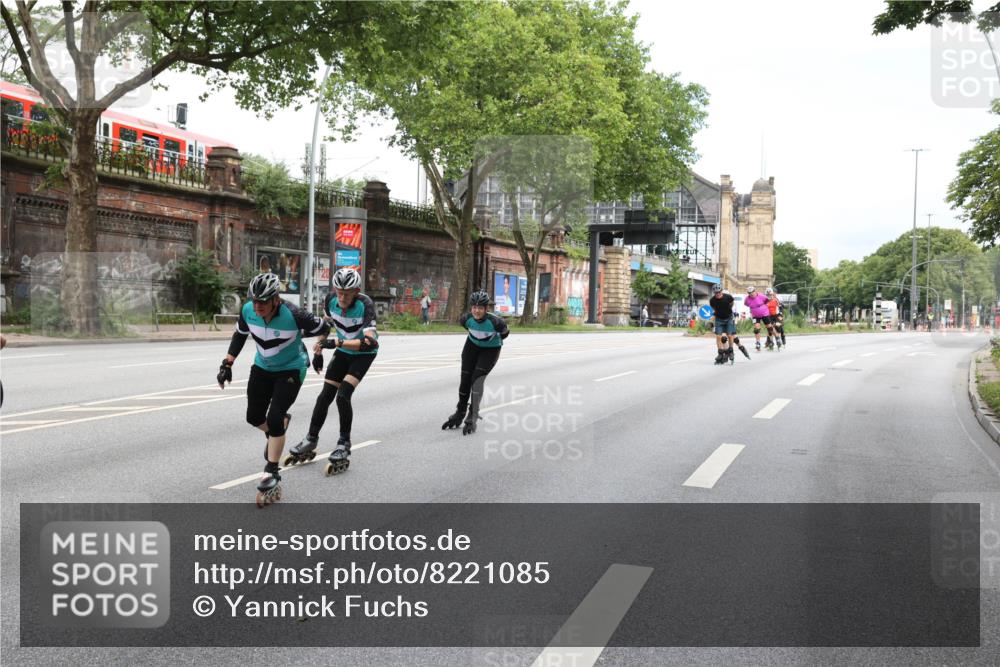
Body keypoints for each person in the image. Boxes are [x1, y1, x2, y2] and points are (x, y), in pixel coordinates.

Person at [217, 272, 330, 507]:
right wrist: (227, 363)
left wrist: (318, 351)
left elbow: (324, 327)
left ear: (276, 299)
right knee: (254, 417)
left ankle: (272, 471)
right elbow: (239, 335)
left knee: (275, 417)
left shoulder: (295, 314)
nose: (257, 306)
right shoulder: (248, 310)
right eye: (254, 300)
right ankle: (278, 431)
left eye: (263, 301)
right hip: (262, 367)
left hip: (290, 368)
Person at [286, 267, 378, 476]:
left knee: (343, 395)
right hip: (343, 351)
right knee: (324, 396)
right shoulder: (330, 300)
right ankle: (310, 439)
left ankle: (344, 443)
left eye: (347, 293)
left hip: (363, 354)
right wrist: (319, 350)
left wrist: (337, 342)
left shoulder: (365, 305)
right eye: (339, 292)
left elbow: (370, 341)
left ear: (356, 291)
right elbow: (325, 327)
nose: (343, 297)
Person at [442, 290, 509, 435]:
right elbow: (468, 329)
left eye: (480, 308)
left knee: (476, 380)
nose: (476, 311)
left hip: (490, 350)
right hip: (472, 346)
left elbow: (505, 333)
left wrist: (491, 339)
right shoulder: (465, 319)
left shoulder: (496, 322)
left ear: (486, 309)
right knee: (465, 379)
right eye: (474, 307)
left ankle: (472, 415)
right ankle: (460, 412)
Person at [709, 284, 750, 364]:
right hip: (720, 319)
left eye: (719, 292)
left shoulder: (729, 299)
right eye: (716, 293)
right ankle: (723, 353)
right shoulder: (713, 301)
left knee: (734, 338)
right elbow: (715, 311)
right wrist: (711, 321)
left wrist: (736, 319)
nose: (718, 294)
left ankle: (739, 348)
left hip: (730, 319)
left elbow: (734, 311)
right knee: (722, 338)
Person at [744, 286, 773, 351]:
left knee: (769, 327)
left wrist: (762, 307)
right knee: (756, 329)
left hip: (764, 313)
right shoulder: (747, 299)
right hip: (755, 315)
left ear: (755, 291)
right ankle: (758, 342)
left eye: (752, 292)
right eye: (749, 293)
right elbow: (746, 304)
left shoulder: (761, 296)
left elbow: (767, 300)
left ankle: (771, 340)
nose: (751, 294)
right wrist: (754, 308)